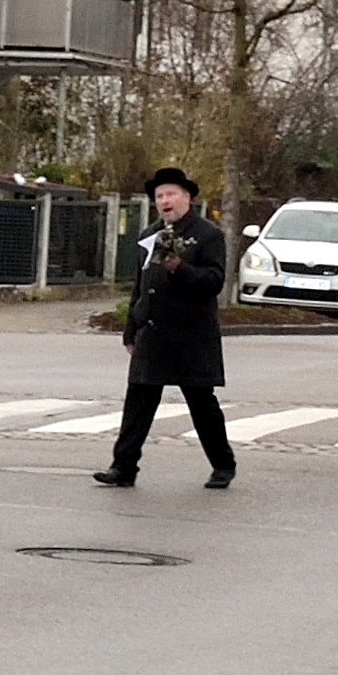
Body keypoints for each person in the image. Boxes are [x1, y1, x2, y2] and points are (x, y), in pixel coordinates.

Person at [99, 168, 235, 490]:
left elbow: (214, 281)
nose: (164, 201)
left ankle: (223, 465)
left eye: (170, 194)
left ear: (187, 197)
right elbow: (141, 285)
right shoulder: (151, 234)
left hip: (191, 335)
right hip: (154, 333)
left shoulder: (208, 235)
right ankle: (123, 466)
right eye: (159, 196)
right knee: (138, 403)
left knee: (202, 405)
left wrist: (180, 268)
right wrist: (131, 329)